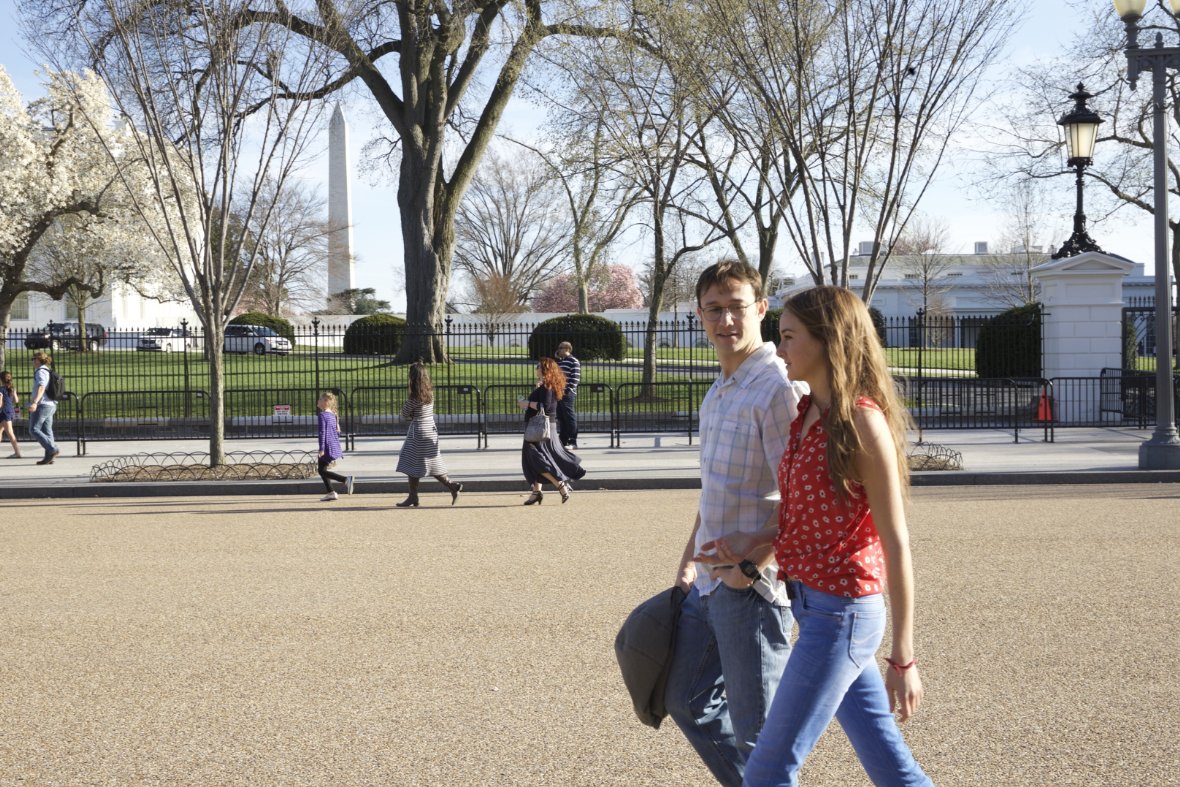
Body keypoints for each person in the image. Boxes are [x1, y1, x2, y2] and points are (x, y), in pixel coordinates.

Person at [696, 285, 932, 786]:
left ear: (827, 341)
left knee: (767, 770)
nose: (779, 350)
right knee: (892, 766)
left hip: (843, 616)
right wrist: (753, 544)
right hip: (813, 607)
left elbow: (897, 542)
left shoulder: (862, 423)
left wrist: (903, 655)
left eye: (788, 336)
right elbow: (801, 517)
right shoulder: (807, 415)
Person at [665, 259, 803, 786]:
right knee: (686, 696)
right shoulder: (721, 389)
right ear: (700, 316)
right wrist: (685, 564)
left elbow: (800, 497)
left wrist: (752, 563)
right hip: (709, 580)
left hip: (754, 587)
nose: (726, 320)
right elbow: (712, 492)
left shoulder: (775, 389)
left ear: (761, 309)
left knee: (761, 733)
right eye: (714, 309)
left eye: (737, 307)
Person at [518, 356, 585, 505]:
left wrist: (526, 403)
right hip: (541, 427)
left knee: (537, 459)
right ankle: (536, 492)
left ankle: (560, 485)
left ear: (544, 369)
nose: (536, 369)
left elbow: (545, 407)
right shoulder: (545, 385)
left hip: (540, 429)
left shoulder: (547, 386)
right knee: (533, 459)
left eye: (538, 366)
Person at [396, 362, 462, 508]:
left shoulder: (414, 397)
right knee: (431, 463)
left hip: (418, 431)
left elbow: (403, 414)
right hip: (431, 429)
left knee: (411, 462)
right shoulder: (430, 393)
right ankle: (451, 486)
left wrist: (409, 412)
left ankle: (413, 496)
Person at [315, 391, 353, 501]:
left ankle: (346, 480)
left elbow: (322, 433)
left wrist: (321, 449)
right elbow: (337, 432)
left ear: (326, 402)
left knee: (322, 471)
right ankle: (331, 492)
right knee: (322, 469)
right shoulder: (333, 415)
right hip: (332, 446)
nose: (318, 401)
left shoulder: (322, 415)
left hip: (326, 447)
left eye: (320, 399)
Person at [27, 351, 59, 466]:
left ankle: (53, 449)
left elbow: (41, 387)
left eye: (34, 358)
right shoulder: (46, 370)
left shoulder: (41, 371)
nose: (33, 360)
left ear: (39, 360)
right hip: (50, 404)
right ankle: (48, 457)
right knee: (47, 431)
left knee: (33, 429)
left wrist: (35, 402)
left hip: (43, 405)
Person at [555, 341, 580, 449]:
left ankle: (572, 441)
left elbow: (575, 378)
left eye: (560, 348)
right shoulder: (560, 362)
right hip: (559, 393)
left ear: (567, 349)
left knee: (569, 417)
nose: (558, 350)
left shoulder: (573, 361)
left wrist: (567, 390)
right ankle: (563, 440)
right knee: (561, 417)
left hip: (567, 393)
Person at [0, 370, 21, 458]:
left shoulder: (1, 389)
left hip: (4, 412)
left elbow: (0, 404)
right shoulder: (12, 388)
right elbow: (16, 400)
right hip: (10, 411)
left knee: (10, 432)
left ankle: (17, 452)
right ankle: (17, 452)